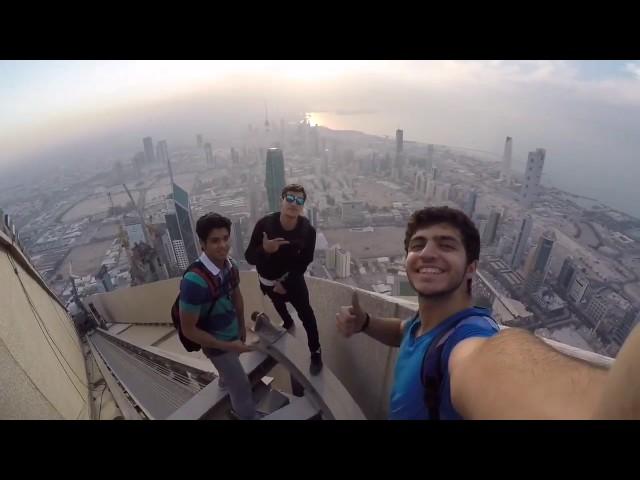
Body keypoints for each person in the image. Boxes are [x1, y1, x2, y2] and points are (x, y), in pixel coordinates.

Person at [336, 206, 640, 419]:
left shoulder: (469, 341)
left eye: (446, 245)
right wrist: (365, 322)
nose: (427, 253)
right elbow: (405, 333)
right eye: (418, 245)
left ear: (471, 268)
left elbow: (494, 366)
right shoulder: (424, 322)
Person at [179, 212, 257, 420]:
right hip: (216, 345)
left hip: (232, 334)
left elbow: (237, 296)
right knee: (241, 387)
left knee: (230, 376)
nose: (223, 245)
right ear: (202, 244)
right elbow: (189, 329)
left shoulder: (229, 266)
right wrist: (229, 346)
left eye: (225, 238)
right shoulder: (194, 281)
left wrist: (240, 328)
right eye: (215, 240)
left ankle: (224, 381)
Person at [245, 183, 323, 375]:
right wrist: (265, 249)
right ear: (281, 200)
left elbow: (305, 261)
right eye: (290, 198)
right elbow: (249, 257)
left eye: (299, 200)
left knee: (308, 317)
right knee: (278, 305)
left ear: (303, 205)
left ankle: (315, 352)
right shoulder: (264, 225)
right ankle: (287, 322)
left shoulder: (308, 231)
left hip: (293, 281)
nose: (293, 203)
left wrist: (286, 282)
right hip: (267, 281)